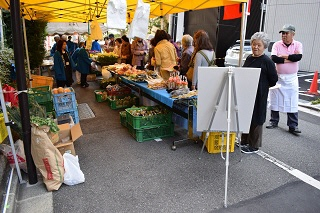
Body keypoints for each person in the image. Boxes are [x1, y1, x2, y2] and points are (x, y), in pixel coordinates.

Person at [240, 32, 278, 153]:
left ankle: (254, 145)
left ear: (264, 47)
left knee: (257, 118)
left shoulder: (267, 61)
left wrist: (263, 85)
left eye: (258, 45)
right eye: (253, 44)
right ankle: (244, 141)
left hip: (260, 94)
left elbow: (274, 80)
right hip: (247, 92)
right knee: (246, 117)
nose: (255, 47)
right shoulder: (249, 58)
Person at [266, 24, 303, 135]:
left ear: (293, 34)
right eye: (283, 33)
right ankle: (274, 121)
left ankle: (293, 126)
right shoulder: (277, 44)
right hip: (278, 76)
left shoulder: (298, 44)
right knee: (275, 98)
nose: (284, 35)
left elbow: (298, 57)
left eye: (286, 33)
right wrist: (290, 58)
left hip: (291, 78)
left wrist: (284, 56)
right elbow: (274, 58)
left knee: (292, 101)